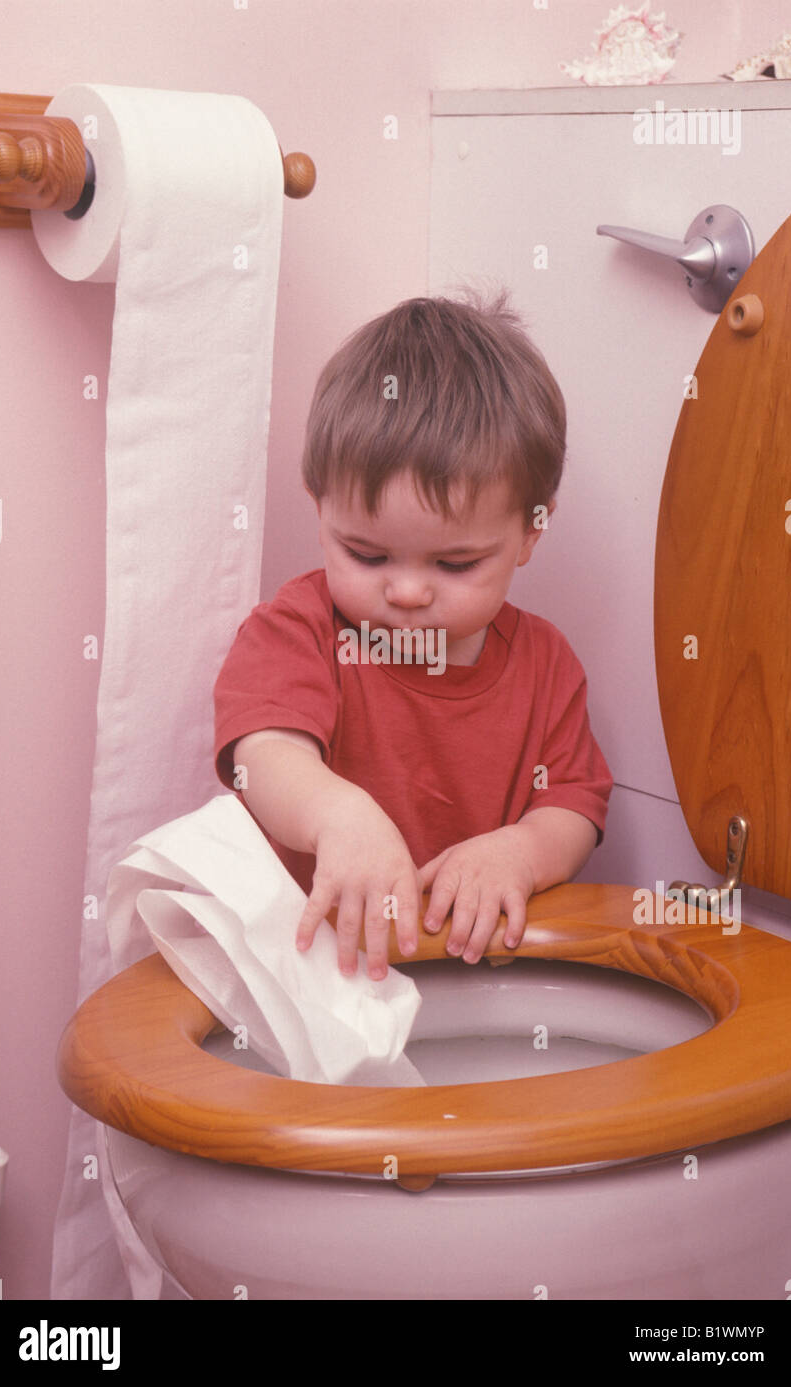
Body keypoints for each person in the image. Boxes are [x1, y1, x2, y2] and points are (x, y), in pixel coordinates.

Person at [213, 291, 612, 981]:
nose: (404, 592)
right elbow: (263, 753)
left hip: (467, 972)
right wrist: (335, 813)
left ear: (529, 533)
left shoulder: (545, 664)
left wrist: (520, 851)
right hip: (310, 974)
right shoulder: (298, 630)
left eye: (454, 564)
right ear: (319, 509)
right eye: (366, 555)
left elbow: (572, 803)